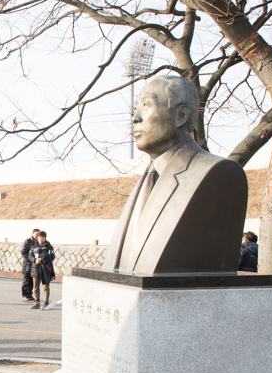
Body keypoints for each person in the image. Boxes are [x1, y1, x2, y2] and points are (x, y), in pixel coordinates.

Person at [102, 76, 247, 274]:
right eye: (136, 107)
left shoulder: (219, 173)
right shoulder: (147, 179)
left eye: (146, 105)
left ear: (181, 116)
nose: (135, 118)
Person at [28, 231, 56, 310]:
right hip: (35, 268)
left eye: (42, 237)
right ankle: (36, 303)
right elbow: (30, 256)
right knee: (36, 287)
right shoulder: (34, 246)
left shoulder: (49, 247)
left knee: (45, 286)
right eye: (39, 237)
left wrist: (42, 258)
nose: (41, 239)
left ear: (45, 238)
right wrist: (35, 260)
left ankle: (46, 302)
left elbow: (52, 256)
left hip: (45, 269)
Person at [21, 229, 40, 302]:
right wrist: (29, 258)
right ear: (32, 234)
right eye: (36, 234)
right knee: (26, 279)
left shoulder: (38, 242)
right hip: (28, 263)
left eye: (39, 234)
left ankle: (29, 294)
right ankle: (25, 295)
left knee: (32, 280)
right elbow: (23, 251)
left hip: (35, 264)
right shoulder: (28, 241)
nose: (37, 235)